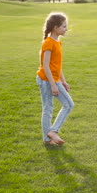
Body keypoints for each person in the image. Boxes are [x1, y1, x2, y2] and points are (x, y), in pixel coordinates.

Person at [36, 13, 74, 145]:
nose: (66, 29)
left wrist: (63, 81)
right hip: (46, 79)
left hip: (54, 79)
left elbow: (57, 65)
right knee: (67, 105)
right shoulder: (48, 43)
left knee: (50, 108)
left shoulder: (58, 42)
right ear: (55, 27)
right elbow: (45, 65)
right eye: (64, 26)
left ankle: (48, 139)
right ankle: (53, 132)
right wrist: (53, 85)